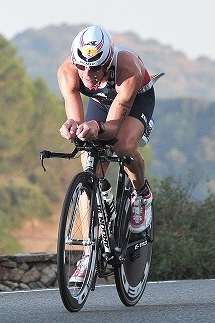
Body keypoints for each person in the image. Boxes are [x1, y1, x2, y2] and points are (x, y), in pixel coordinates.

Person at [57, 25, 162, 283]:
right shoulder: (68, 73)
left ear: (108, 59)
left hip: (135, 99)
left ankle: (141, 194)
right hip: (102, 102)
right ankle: (87, 253)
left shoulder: (127, 68)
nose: (88, 74)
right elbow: (75, 117)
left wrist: (97, 127)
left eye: (96, 68)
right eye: (83, 67)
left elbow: (113, 128)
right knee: (88, 161)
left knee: (122, 146)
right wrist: (73, 127)